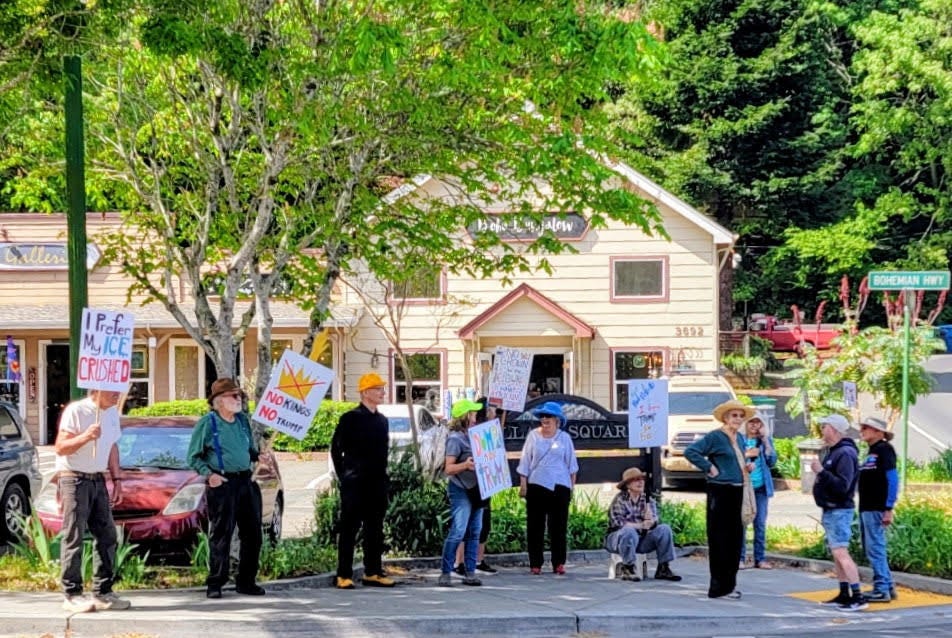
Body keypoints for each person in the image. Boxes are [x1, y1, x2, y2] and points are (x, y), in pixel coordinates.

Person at [54, 389, 132, 613]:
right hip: (74, 478)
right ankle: (72, 594)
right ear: (97, 389)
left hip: (97, 478)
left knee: (107, 534)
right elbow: (61, 447)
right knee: (74, 535)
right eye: (112, 390)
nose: (117, 394)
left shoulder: (112, 413)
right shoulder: (76, 410)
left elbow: (112, 446)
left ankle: (103, 591)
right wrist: (86, 436)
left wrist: (117, 479)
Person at [187, 378, 264, 599]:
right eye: (233, 395)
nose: (238, 399)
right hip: (223, 483)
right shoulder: (207, 423)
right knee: (221, 533)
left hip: (246, 481)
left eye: (239, 395)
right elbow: (193, 457)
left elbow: (249, 451)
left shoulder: (242, 421)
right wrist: (209, 475)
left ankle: (246, 581)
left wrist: (259, 456)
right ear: (219, 400)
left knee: (253, 533)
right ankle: (216, 582)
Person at [330, 372, 395, 589]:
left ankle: (373, 571)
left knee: (375, 529)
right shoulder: (350, 418)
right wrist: (344, 476)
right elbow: (336, 448)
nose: (382, 392)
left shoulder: (382, 421)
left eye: (382, 389)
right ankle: (343, 574)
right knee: (349, 529)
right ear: (365, 392)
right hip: (355, 483)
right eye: (378, 389)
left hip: (377, 483)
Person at [684, 399, 753, 600]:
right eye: (734, 415)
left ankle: (730, 585)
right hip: (721, 490)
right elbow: (691, 451)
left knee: (735, 541)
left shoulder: (740, 438)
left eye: (740, 416)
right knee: (720, 539)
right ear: (725, 418)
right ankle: (718, 587)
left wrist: (747, 467)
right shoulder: (715, 437)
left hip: (738, 490)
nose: (738, 419)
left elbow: (738, 460)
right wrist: (710, 468)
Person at [811, 414, 867, 611]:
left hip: (839, 509)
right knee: (837, 553)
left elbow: (843, 485)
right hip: (831, 508)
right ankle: (844, 592)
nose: (822, 430)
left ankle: (858, 595)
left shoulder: (845, 453)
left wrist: (821, 472)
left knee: (841, 552)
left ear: (834, 429)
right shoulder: (834, 451)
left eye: (824, 426)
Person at [517, 401, 578, 575]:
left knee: (558, 527)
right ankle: (535, 563)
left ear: (557, 420)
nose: (545, 419)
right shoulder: (533, 436)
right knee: (535, 526)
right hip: (537, 484)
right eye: (542, 416)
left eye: (549, 416)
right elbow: (525, 461)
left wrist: (571, 489)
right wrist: (523, 485)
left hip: (560, 485)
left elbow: (572, 465)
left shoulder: (564, 438)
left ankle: (558, 562)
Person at [438, 398, 486, 587]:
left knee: (475, 531)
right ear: (465, 416)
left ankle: (470, 572)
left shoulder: (476, 436)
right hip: (461, 488)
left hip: (478, 489)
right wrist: (465, 465)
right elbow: (448, 468)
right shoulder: (455, 439)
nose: (476, 415)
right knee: (458, 531)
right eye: (473, 412)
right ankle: (446, 572)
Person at [605, 467, 682, 582]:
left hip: (641, 539)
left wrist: (651, 521)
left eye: (641, 479)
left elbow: (653, 522)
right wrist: (641, 525)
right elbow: (618, 523)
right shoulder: (620, 499)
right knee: (629, 531)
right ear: (628, 485)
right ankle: (628, 568)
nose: (640, 482)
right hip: (618, 540)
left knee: (664, 529)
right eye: (636, 480)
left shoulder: (647, 499)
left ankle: (663, 568)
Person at [858, 416, 898, 603]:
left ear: (879, 432)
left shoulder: (884, 449)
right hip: (867, 505)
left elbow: (892, 479)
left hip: (876, 506)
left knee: (875, 548)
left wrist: (888, 507)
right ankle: (887, 586)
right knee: (872, 547)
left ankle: (881, 588)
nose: (862, 431)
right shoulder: (872, 451)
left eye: (866, 428)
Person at [454, 397, 497, 575]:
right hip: (467, 485)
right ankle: (459, 562)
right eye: (491, 409)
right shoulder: (467, 434)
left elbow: (495, 442)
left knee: (483, 523)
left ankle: (477, 560)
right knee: (464, 525)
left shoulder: (484, 430)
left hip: (483, 483)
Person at [739, 412, 777, 570]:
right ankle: (740, 558)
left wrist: (766, 442)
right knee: (742, 523)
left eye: (758, 422)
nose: (754, 425)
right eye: (751, 422)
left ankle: (759, 558)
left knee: (760, 523)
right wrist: (747, 454)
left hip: (761, 488)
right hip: (744, 487)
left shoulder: (763, 441)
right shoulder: (740, 439)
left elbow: (772, 461)